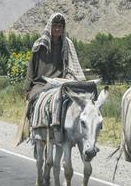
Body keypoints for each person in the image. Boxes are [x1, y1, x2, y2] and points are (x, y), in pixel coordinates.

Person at [15, 12, 85, 144]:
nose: (57, 29)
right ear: (50, 27)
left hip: (60, 83)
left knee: (76, 103)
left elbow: (71, 66)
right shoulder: (39, 45)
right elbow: (31, 68)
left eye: (60, 26)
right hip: (40, 83)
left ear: (63, 28)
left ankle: (72, 133)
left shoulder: (67, 44)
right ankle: (33, 129)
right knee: (33, 101)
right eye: (55, 26)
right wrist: (28, 88)